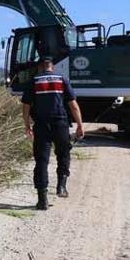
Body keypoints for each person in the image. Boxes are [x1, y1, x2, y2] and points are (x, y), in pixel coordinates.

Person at [21, 56, 84, 210]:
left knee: (41, 161)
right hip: (60, 123)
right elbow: (73, 105)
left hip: (41, 125)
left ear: (40, 66)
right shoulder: (62, 79)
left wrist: (27, 125)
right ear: (51, 66)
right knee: (63, 154)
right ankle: (61, 187)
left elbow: (26, 106)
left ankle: (42, 200)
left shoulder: (34, 81)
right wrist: (80, 126)